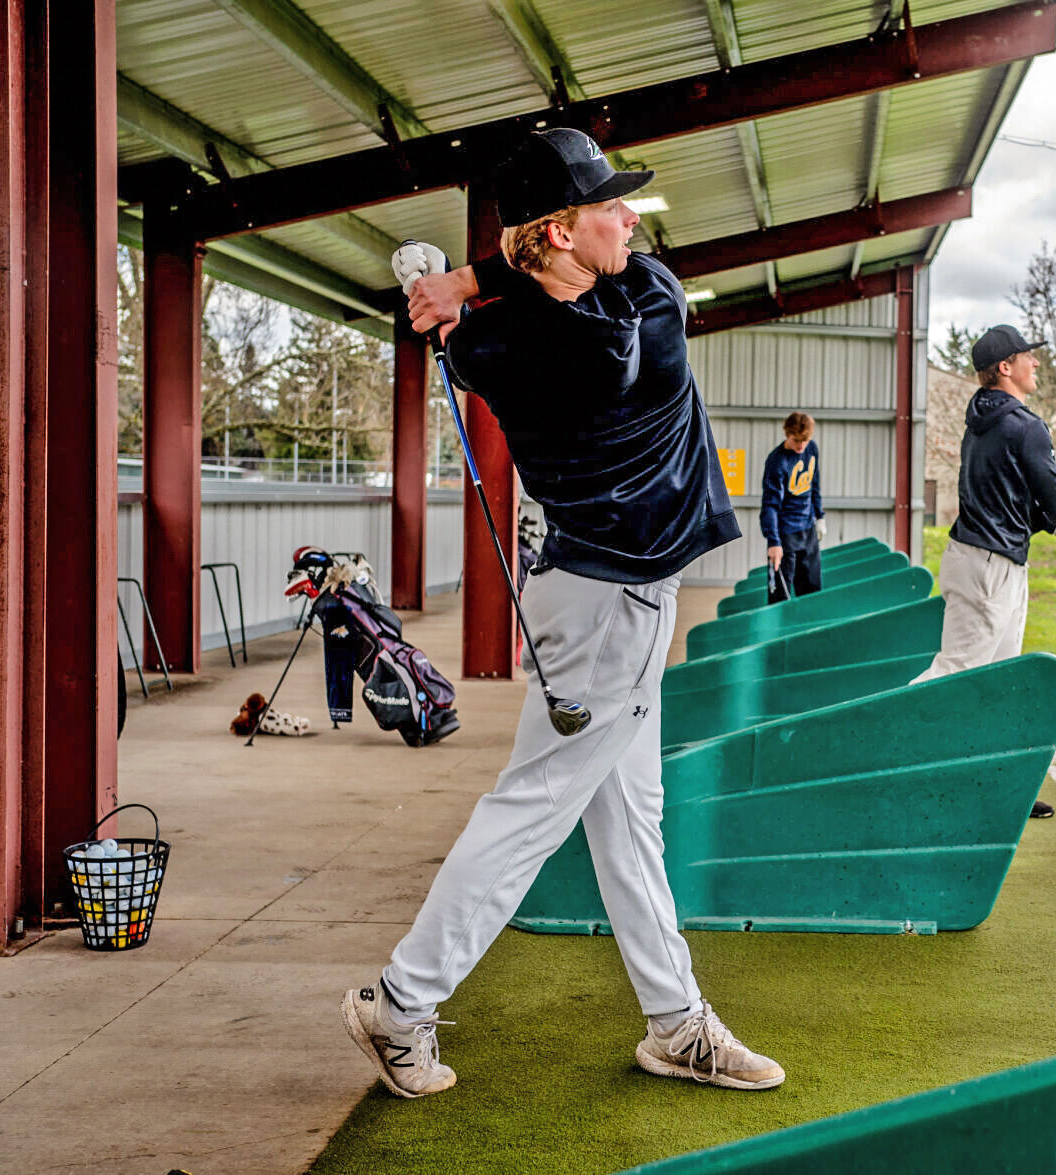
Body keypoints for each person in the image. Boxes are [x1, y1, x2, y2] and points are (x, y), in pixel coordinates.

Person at [343, 128, 783, 1099]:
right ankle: (402, 1000)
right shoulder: (591, 327)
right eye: (609, 206)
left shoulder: (512, 331)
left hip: (602, 591)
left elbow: (559, 296)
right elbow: (604, 341)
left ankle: (676, 1021)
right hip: (606, 604)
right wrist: (475, 284)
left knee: (630, 816)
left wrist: (463, 283)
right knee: (534, 810)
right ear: (554, 230)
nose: (632, 216)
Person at [913, 324, 1056, 818]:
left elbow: (1013, 498)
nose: (1036, 363)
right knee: (956, 671)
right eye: (1027, 356)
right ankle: (890, 754)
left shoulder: (981, 423)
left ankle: (996, 790)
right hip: (989, 567)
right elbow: (1053, 492)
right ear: (1005, 367)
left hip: (988, 560)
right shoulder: (1025, 425)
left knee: (999, 682)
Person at [758, 411, 825, 604]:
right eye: (796, 441)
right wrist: (773, 542)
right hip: (785, 534)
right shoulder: (777, 462)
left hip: (808, 530)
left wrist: (820, 517)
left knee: (812, 590)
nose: (801, 446)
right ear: (788, 434)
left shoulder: (811, 449)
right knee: (780, 594)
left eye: (805, 441)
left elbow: (814, 485)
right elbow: (769, 505)